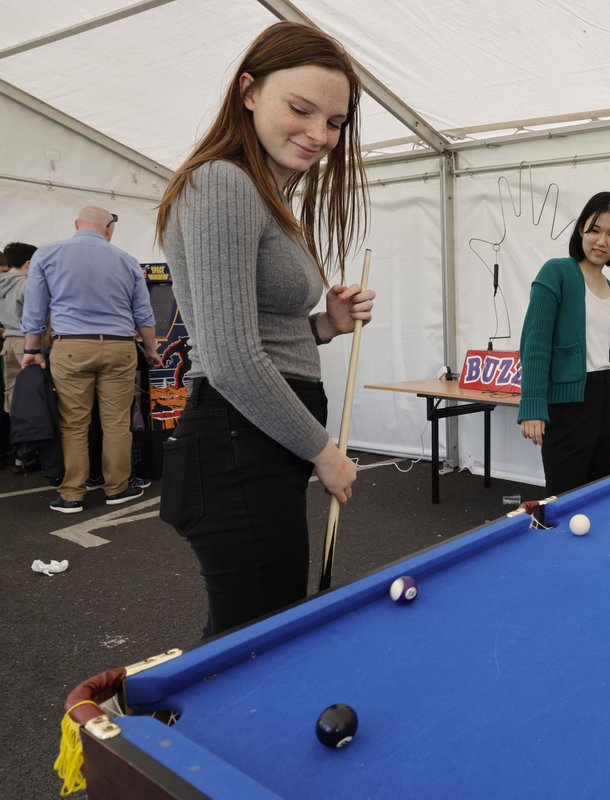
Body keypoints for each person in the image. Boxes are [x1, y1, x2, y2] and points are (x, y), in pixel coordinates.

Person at [155, 21, 374, 638]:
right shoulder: (221, 181)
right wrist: (324, 452)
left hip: (255, 440)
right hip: (237, 440)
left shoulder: (262, 194)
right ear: (249, 91)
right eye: (301, 110)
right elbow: (228, 358)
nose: (319, 134)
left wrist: (325, 325)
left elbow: (258, 332)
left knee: (259, 633)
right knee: (252, 641)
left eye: (334, 122)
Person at [20, 209, 162, 511]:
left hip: (71, 347)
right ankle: (117, 489)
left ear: (76, 225)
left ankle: (71, 495)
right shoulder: (127, 260)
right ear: (108, 229)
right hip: (119, 347)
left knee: (73, 425)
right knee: (117, 423)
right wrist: (151, 350)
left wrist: (31, 350)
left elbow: (35, 309)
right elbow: (143, 313)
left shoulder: (47, 255)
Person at [517, 191, 610, 496]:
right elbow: (535, 343)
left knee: (599, 496)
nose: (601, 241)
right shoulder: (556, 273)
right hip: (568, 404)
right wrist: (532, 405)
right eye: (594, 230)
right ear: (581, 229)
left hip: (605, 402)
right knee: (564, 496)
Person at [1, 243, 36, 458]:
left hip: (8, 342)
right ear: (28, 263)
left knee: (12, 393)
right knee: (32, 394)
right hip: (26, 342)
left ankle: (18, 447)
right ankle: (32, 446)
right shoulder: (26, 285)